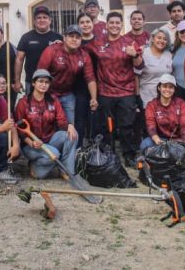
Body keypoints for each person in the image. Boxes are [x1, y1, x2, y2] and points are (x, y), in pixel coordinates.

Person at [89, 11, 144, 166]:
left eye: (117, 23)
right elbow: (82, 48)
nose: (114, 25)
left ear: (121, 25)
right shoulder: (98, 43)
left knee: (127, 126)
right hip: (105, 92)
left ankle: (128, 155)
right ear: (106, 25)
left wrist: (135, 55)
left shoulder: (129, 42)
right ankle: (109, 155)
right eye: (111, 23)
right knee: (107, 126)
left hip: (126, 92)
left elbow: (140, 66)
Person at [15, 69, 78, 179]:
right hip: (31, 145)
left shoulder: (54, 101)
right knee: (49, 162)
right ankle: (34, 165)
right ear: (33, 83)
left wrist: (70, 125)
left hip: (50, 140)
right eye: (40, 81)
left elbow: (62, 121)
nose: (44, 85)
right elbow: (20, 130)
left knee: (72, 135)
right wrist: (31, 142)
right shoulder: (23, 103)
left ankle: (66, 171)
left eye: (46, 82)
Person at [36, 24, 96, 125]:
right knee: (47, 124)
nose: (74, 39)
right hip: (49, 93)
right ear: (64, 37)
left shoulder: (84, 55)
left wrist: (94, 98)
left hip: (67, 94)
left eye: (77, 37)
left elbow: (90, 78)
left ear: (81, 40)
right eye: (71, 36)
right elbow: (40, 74)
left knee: (69, 126)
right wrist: (40, 96)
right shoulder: (52, 50)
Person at [140, 74, 185, 168]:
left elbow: (184, 126)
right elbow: (150, 125)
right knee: (145, 144)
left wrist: (184, 147)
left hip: (179, 140)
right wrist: (159, 142)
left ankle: (164, 162)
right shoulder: (151, 105)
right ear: (159, 88)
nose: (167, 90)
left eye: (171, 87)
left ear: (174, 90)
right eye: (164, 86)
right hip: (160, 140)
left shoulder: (181, 103)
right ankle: (165, 162)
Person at [13, 5, 62, 94]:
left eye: (45, 17)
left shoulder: (58, 38)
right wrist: (17, 81)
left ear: (50, 20)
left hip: (53, 83)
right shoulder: (26, 37)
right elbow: (19, 59)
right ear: (34, 21)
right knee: (31, 107)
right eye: (38, 18)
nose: (42, 20)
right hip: (32, 82)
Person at [74, 12, 100, 144]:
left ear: (92, 23)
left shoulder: (100, 41)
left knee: (95, 121)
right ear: (78, 25)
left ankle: (95, 152)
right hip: (79, 86)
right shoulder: (74, 41)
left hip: (99, 86)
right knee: (79, 120)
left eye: (88, 22)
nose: (85, 25)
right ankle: (78, 150)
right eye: (82, 22)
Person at [135, 27, 173, 107]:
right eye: (159, 38)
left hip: (165, 99)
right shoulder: (143, 53)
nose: (161, 41)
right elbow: (136, 76)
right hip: (147, 98)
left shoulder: (169, 55)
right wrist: (137, 96)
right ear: (152, 39)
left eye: (165, 39)